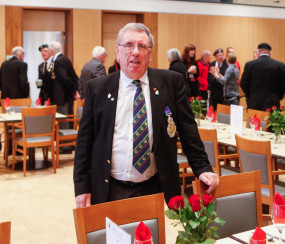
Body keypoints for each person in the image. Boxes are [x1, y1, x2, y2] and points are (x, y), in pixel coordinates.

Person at [74, 23, 218, 207]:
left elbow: (189, 132)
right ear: (118, 52)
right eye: (129, 45)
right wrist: (81, 187)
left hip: (154, 188)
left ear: (149, 54)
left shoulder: (171, 83)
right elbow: (84, 143)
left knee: (151, 237)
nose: (135, 52)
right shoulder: (98, 88)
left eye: (142, 46)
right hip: (109, 187)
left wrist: (202, 168)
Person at [241, 43, 285, 111]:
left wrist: (249, 95)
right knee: (271, 121)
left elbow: (243, 83)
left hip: (254, 103)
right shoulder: (279, 65)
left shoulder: (250, 65)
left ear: (259, 51)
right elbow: (283, 85)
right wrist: (277, 96)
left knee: (254, 121)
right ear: (270, 52)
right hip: (272, 103)